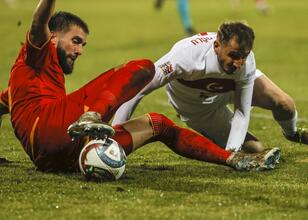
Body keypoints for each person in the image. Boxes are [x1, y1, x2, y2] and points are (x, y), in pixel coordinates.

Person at [0, 0, 280, 173]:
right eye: (75, 41)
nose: (80, 50)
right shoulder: (36, 52)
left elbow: (3, 103)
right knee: (143, 67)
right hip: (54, 129)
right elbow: (38, 22)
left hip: (61, 157)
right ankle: (93, 117)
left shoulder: (23, 83)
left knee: (159, 124)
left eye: (83, 44)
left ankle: (232, 160)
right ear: (52, 37)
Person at [112, 21, 308, 153]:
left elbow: (242, 112)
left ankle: (292, 133)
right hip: (196, 107)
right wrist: (116, 135)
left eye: (244, 56)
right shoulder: (185, 56)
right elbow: (137, 90)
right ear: (216, 46)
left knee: (285, 103)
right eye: (233, 55)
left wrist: (232, 154)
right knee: (254, 149)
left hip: (227, 90)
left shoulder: (244, 62)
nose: (239, 63)